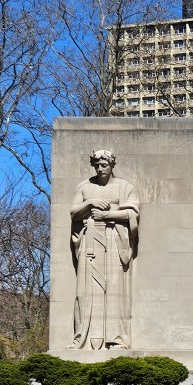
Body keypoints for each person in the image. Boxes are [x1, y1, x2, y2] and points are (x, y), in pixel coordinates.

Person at [69, 150, 140, 349]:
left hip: (114, 240)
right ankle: (82, 337)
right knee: (85, 291)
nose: (100, 169)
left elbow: (133, 213)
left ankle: (117, 339)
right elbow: (74, 212)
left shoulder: (124, 187)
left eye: (104, 165)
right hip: (89, 240)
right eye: (97, 165)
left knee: (115, 289)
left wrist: (108, 214)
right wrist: (89, 203)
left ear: (111, 165)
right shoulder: (84, 187)